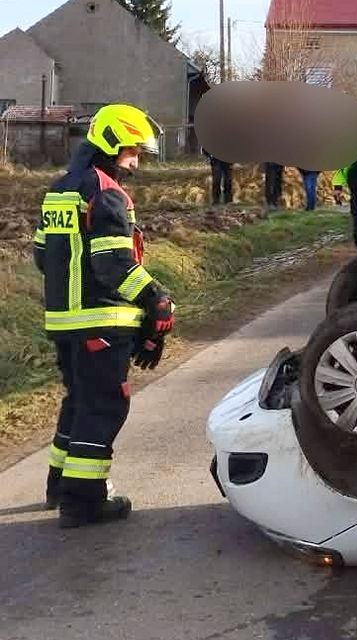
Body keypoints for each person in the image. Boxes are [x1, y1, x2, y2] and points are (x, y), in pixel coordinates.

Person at [33, 103, 176, 528]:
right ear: (113, 144)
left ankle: (59, 484)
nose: (136, 160)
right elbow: (114, 263)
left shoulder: (60, 188)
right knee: (104, 406)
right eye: (133, 150)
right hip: (100, 320)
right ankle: (84, 501)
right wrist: (156, 299)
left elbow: (43, 254)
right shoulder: (107, 192)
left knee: (79, 400)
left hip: (63, 320)